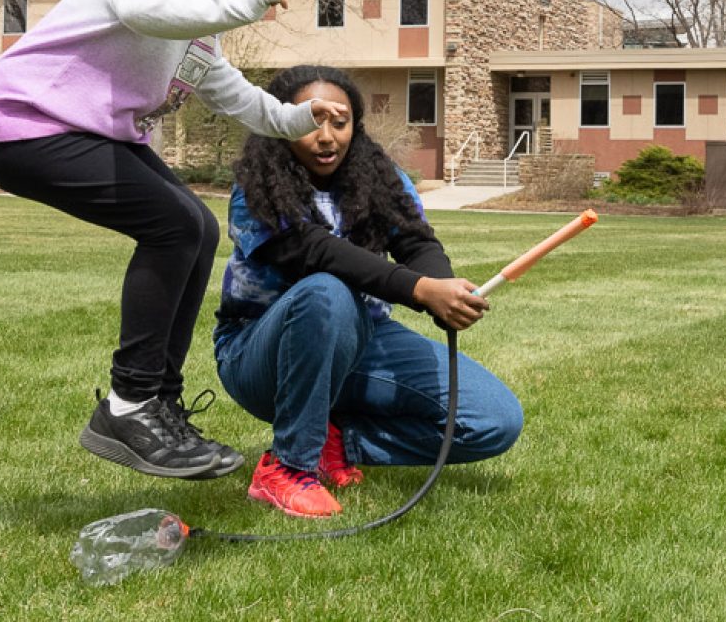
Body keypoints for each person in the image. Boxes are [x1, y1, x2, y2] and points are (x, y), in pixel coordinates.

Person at [0, 0, 379, 480]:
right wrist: (242, 2)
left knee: (197, 226)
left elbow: (218, 84)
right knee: (172, 224)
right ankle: (130, 407)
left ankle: (151, 404)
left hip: (83, 132)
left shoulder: (194, 2)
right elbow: (139, 9)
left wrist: (292, 118)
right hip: (23, 126)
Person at [214, 65, 524, 518]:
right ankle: (288, 466)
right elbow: (319, 253)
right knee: (325, 290)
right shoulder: (255, 185)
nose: (326, 137)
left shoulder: (378, 174)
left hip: (363, 339)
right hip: (257, 354)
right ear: (281, 122)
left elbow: (415, 240)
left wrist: (442, 286)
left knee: (493, 421)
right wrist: (418, 290)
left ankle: (336, 443)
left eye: (339, 123)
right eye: (311, 121)